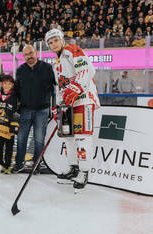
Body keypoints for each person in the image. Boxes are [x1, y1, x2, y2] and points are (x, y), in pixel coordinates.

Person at [45, 28, 100, 192]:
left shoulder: (72, 50)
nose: (53, 44)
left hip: (83, 99)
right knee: (68, 137)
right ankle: (74, 168)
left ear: (62, 39)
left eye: (56, 40)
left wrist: (76, 88)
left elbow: (87, 70)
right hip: (68, 103)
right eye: (50, 42)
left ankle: (84, 172)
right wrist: (58, 105)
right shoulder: (56, 61)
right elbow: (61, 86)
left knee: (82, 137)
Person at [12, 45, 56, 173]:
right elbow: (17, 91)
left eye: (31, 53)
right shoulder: (20, 70)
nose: (29, 56)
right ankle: (19, 163)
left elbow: (55, 86)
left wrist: (53, 106)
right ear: (23, 56)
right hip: (25, 110)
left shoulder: (47, 68)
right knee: (21, 138)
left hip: (42, 110)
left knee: (39, 139)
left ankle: (36, 164)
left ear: (36, 53)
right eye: (26, 54)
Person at [0, 74, 19, 174]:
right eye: (5, 83)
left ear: (12, 85)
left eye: (9, 84)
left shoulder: (15, 98)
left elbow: (16, 114)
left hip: (9, 128)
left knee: (9, 148)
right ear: (1, 84)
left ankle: (7, 166)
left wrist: (14, 129)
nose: (7, 85)